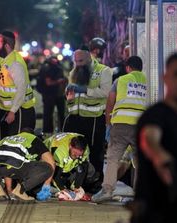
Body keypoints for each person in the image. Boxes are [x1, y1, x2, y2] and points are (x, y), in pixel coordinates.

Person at [131, 52, 177, 223]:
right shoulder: (155, 115)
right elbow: (149, 138)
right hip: (156, 214)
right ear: (166, 78)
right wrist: (159, 155)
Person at [92, 56, 147, 203]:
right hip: (140, 125)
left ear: (128, 67)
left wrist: (108, 125)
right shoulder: (147, 82)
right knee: (139, 160)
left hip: (121, 124)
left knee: (113, 158)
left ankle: (107, 191)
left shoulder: (121, 80)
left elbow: (110, 103)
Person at [63, 49, 112, 178]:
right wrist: (68, 95)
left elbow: (106, 92)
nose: (78, 64)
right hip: (74, 118)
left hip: (94, 119)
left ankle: (96, 182)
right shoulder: (73, 72)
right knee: (74, 151)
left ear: (89, 58)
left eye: (81, 61)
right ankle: (76, 180)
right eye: (75, 61)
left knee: (95, 153)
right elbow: (71, 95)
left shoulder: (104, 71)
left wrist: (86, 90)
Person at [0, 129, 55, 201]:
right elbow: (51, 162)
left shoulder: (6, 138)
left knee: (4, 164)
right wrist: (47, 185)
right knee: (47, 168)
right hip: (13, 164)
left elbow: (6, 164)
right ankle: (20, 191)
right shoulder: (33, 138)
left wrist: (9, 190)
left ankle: (0, 191)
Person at [0, 31, 36, 137]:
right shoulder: (5, 60)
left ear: (7, 46)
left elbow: (21, 89)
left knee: (17, 144)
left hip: (21, 112)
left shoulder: (15, 64)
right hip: (14, 111)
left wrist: (12, 111)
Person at [37, 57, 66, 135]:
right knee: (49, 113)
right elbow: (48, 83)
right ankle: (48, 132)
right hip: (49, 94)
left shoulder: (54, 67)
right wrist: (58, 81)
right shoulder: (48, 68)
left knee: (56, 113)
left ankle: (56, 131)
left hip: (56, 94)